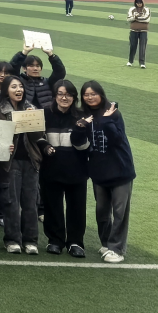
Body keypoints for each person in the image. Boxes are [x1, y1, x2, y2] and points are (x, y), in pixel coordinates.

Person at [75, 80, 135, 263]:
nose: (90, 97)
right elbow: (79, 142)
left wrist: (108, 120)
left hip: (120, 170)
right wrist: (80, 126)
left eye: (93, 94)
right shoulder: (83, 115)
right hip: (98, 172)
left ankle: (117, 249)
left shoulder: (113, 113)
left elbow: (118, 139)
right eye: (86, 94)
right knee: (102, 211)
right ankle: (106, 243)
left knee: (119, 212)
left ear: (101, 94)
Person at [0, 76, 47, 254]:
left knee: (30, 203)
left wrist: (32, 118)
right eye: (14, 87)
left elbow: (39, 136)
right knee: (11, 203)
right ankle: (12, 240)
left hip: (30, 161)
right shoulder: (0, 110)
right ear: (7, 90)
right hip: (10, 162)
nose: (18, 89)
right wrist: (6, 142)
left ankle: (31, 241)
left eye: (20, 86)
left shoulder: (31, 108)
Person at [41, 80, 89, 258]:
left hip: (76, 169)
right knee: (52, 206)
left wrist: (80, 131)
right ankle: (55, 240)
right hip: (50, 169)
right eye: (60, 94)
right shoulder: (44, 113)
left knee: (77, 207)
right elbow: (36, 136)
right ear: (54, 96)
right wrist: (45, 146)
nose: (64, 98)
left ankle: (75, 242)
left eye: (69, 95)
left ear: (74, 97)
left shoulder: (82, 116)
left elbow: (85, 146)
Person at [8, 46, 65, 110]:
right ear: (24, 68)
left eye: (38, 66)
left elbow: (60, 72)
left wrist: (51, 55)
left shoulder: (48, 82)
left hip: (46, 114)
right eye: (31, 66)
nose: (35, 69)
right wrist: (24, 53)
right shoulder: (19, 81)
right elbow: (11, 69)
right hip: (24, 113)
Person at [126, 0, 150, 68]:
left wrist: (136, 18)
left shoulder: (146, 9)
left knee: (142, 47)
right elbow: (129, 18)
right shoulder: (132, 9)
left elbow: (147, 19)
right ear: (135, 3)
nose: (139, 4)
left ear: (142, 3)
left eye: (140, 3)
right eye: (137, 3)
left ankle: (142, 63)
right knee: (132, 46)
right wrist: (137, 17)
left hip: (143, 31)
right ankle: (130, 61)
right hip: (133, 30)